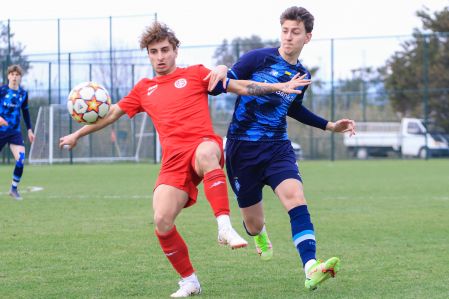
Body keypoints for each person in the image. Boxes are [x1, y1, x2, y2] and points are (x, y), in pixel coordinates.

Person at [59, 22, 311, 297]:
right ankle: (190, 280)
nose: (160, 56)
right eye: (154, 52)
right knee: (162, 220)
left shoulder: (195, 74)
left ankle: (224, 227)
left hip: (204, 146)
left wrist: (279, 86)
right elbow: (112, 113)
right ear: (149, 55)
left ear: (175, 50)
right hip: (173, 161)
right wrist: (77, 134)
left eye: (165, 50)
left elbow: (239, 86)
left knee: (205, 153)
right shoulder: (144, 89)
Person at [220, 6, 356, 291]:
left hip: (277, 147)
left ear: (308, 37)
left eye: (296, 32)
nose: (288, 37)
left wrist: (330, 126)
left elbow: (293, 108)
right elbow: (223, 85)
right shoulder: (258, 58)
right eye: (285, 30)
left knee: (295, 196)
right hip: (242, 149)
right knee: (254, 224)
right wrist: (225, 71)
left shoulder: (302, 74)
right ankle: (259, 234)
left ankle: (310, 267)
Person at [0, 64, 35, 200]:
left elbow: (25, 112)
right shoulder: (2, 91)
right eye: (12, 74)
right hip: (1, 131)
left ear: (20, 77)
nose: (14, 77)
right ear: (8, 76)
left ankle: (13, 188)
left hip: (15, 132)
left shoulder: (23, 94)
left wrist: (30, 130)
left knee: (20, 160)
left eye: (17, 75)